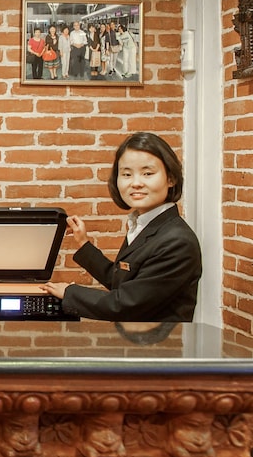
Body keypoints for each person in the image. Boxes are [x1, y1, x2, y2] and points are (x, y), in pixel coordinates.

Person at [42, 132, 201, 322]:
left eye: (147, 173)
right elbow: (121, 281)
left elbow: (127, 304)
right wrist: (83, 243)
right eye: (126, 174)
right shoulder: (142, 225)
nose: (136, 183)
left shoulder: (177, 241)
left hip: (159, 340)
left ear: (171, 178)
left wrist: (70, 292)